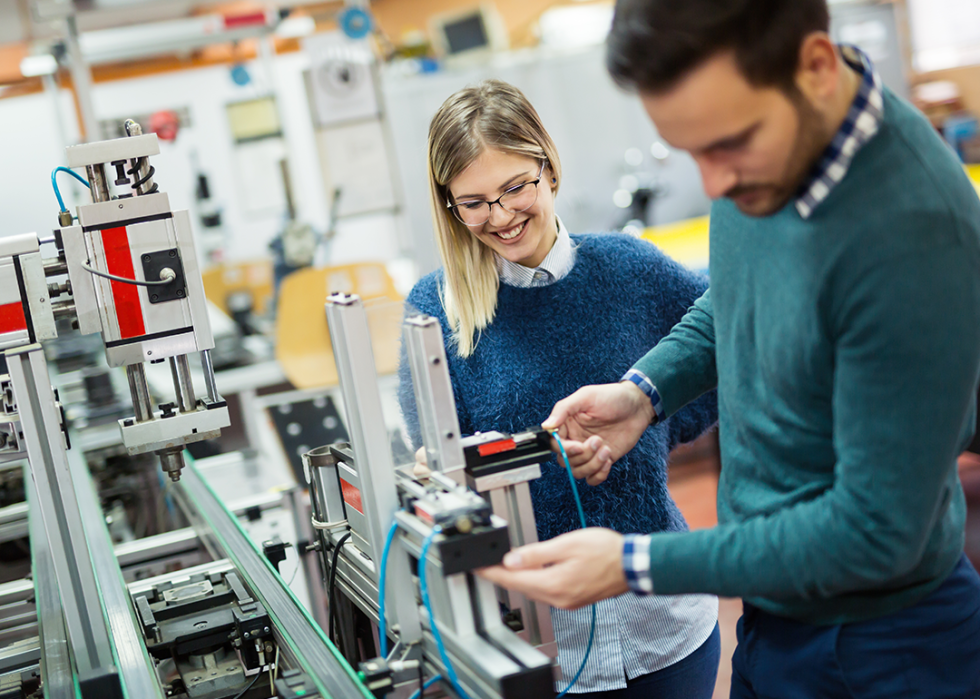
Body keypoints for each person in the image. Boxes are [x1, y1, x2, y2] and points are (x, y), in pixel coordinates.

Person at [479, 1, 980, 697]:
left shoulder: (912, 234)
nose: (713, 184)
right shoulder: (769, 149)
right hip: (774, 612)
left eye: (726, 146)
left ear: (815, 66)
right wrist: (644, 393)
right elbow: (736, 296)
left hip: (884, 643)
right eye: (693, 151)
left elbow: (874, 532)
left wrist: (635, 563)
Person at [397, 79, 721, 697]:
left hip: (665, 620)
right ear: (449, 206)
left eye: (514, 187)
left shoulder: (632, 268)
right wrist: (509, 465)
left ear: (547, 166)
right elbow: (445, 469)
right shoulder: (434, 311)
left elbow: (720, 357)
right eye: (474, 202)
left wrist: (642, 426)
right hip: (541, 641)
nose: (499, 216)